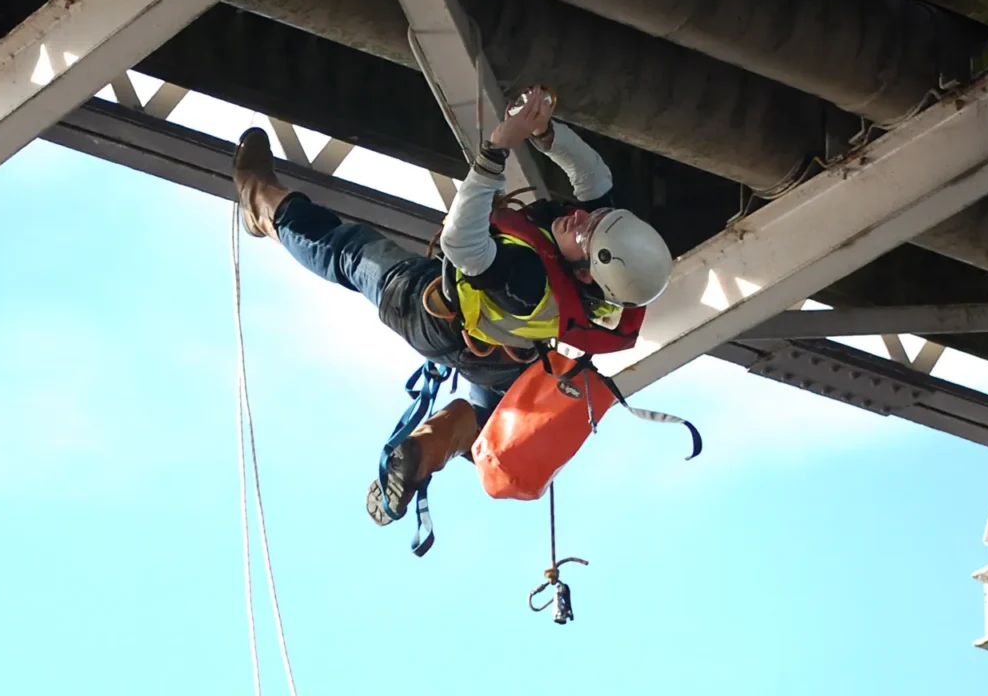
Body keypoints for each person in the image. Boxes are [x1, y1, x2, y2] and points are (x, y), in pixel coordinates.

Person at [231, 87, 673, 530]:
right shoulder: (599, 263)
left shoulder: (527, 280)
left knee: (346, 251)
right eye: (592, 217)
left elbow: (462, 243)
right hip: (499, 356)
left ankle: (260, 203)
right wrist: (546, 132)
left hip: (430, 316)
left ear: (588, 274)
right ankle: (433, 444)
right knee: (492, 413)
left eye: (586, 232)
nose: (579, 218)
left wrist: (497, 149)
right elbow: (593, 176)